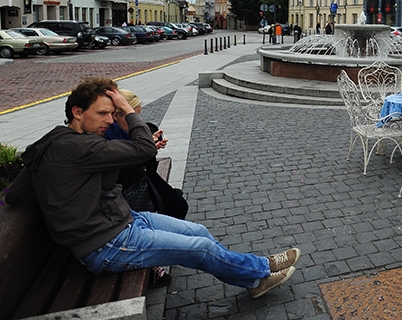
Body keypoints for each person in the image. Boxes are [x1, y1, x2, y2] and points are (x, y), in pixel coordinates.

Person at [6, 77, 301, 299]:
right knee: (199, 248)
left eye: (113, 113)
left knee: (198, 233)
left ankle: (252, 272)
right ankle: (258, 274)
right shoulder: (81, 147)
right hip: (105, 244)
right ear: (77, 111)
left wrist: (62, 197)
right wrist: (125, 108)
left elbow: (17, 194)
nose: (110, 121)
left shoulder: (54, 140)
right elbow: (145, 148)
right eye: (104, 113)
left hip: (124, 221)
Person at [105, 89, 184, 288]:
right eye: (133, 115)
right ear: (117, 115)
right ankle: (153, 263)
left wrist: (151, 146)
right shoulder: (108, 140)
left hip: (137, 182)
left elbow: (141, 164)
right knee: (177, 207)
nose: (135, 120)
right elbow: (126, 171)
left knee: (177, 205)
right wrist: (147, 148)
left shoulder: (121, 133)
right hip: (129, 193)